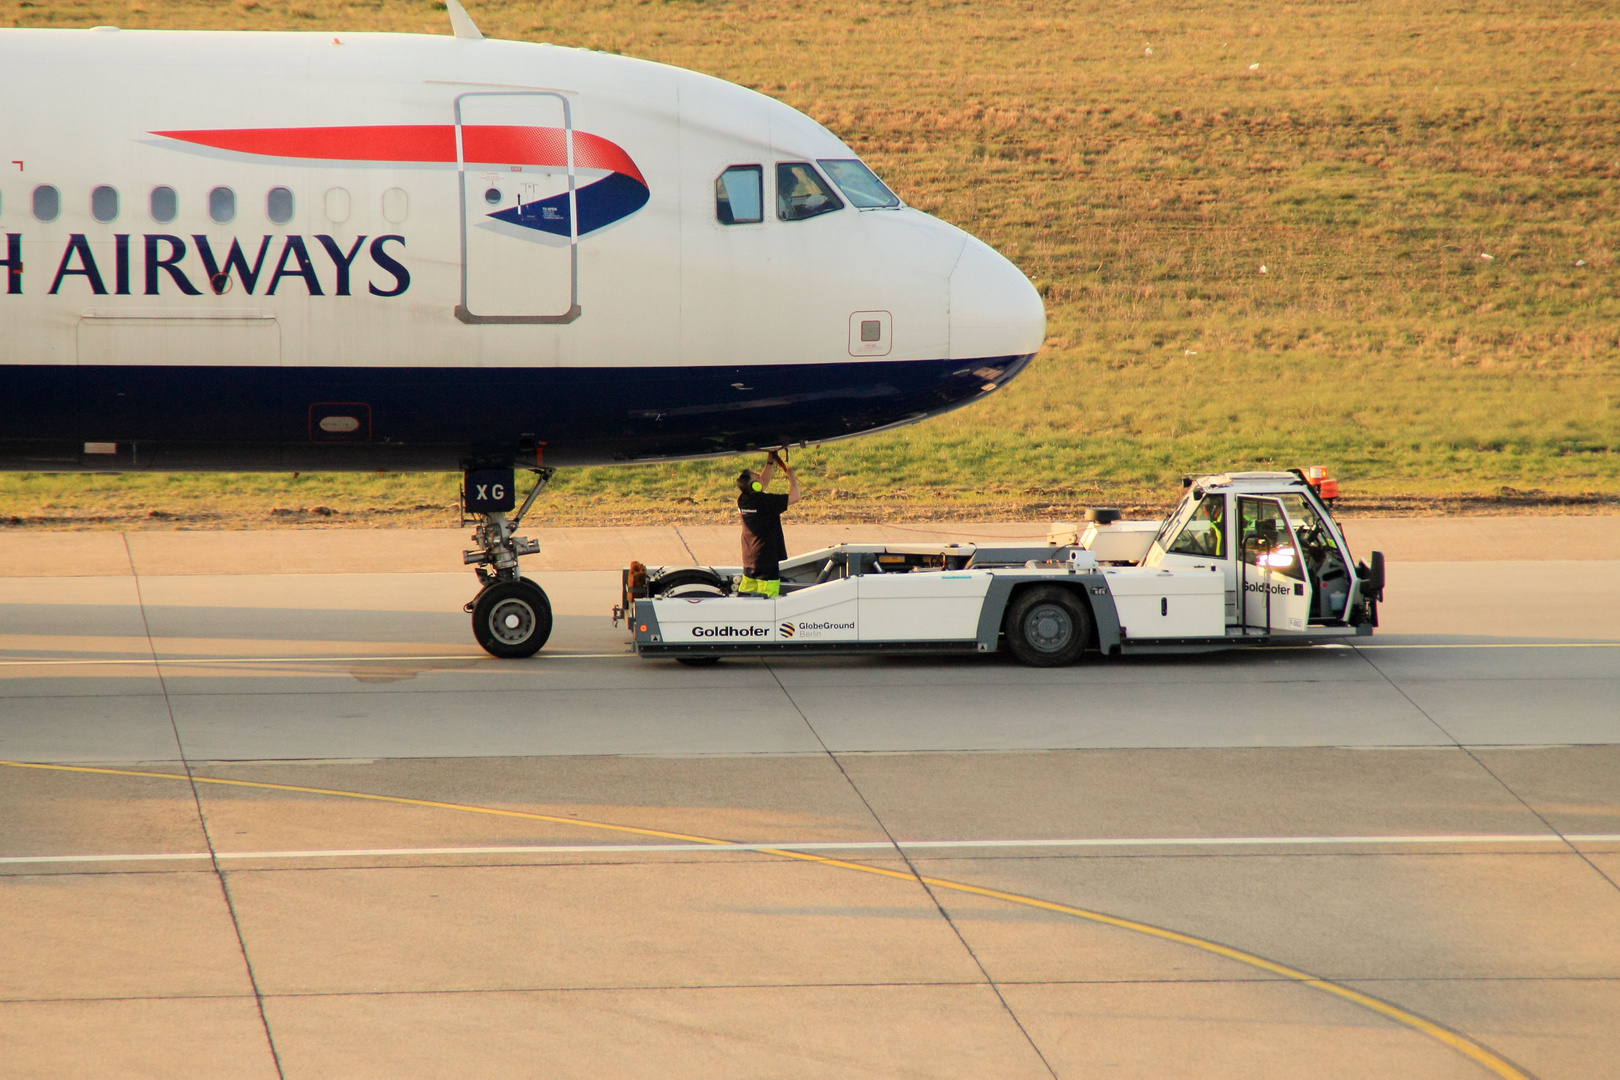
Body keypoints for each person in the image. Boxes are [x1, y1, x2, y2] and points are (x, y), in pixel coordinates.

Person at [736, 450, 801, 597]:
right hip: (766, 560)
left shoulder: (743, 500)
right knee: (769, 601)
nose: (760, 477)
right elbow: (796, 496)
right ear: (755, 486)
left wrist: (770, 462)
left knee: (747, 599)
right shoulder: (767, 502)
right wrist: (792, 479)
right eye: (756, 477)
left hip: (749, 560)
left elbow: (762, 483)